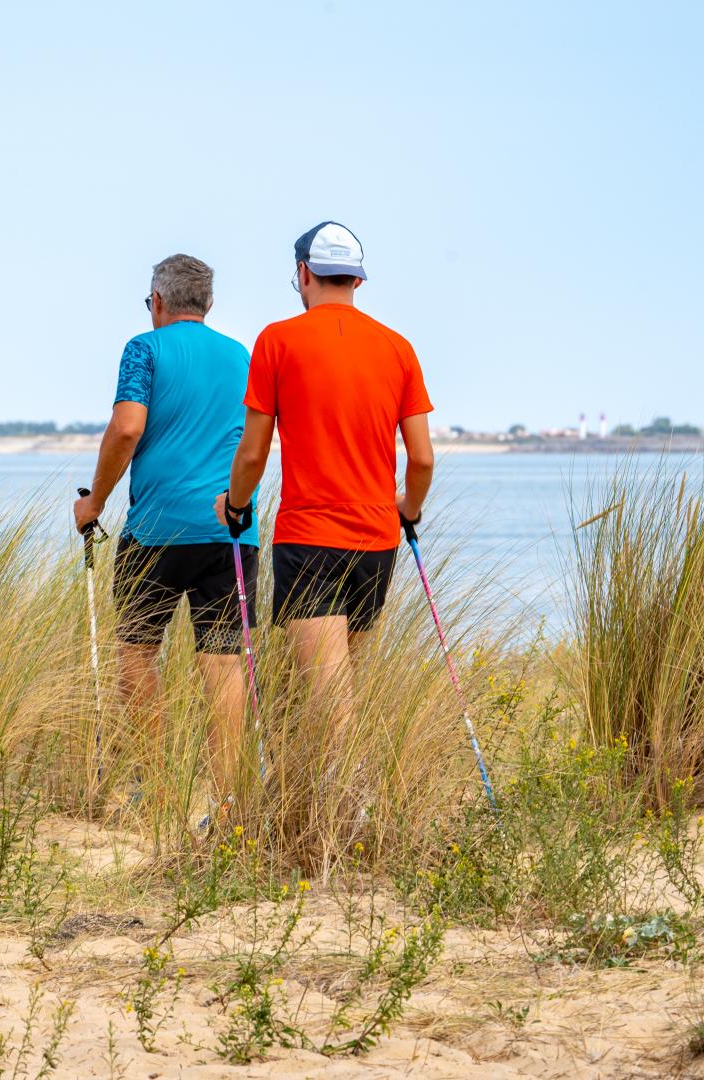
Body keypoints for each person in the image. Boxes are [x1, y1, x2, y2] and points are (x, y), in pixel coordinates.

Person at [217, 221, 435, 748]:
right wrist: (408, 507)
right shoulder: (398, 348)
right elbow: (423, 459)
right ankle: (334, 807)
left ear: (303, 274)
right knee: (346, 687)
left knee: (326, 692)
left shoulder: (277, 340)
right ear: (357, 281)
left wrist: (236, 504)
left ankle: (343, 810)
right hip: (377, 539)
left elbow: (252, 451)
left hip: (309, 537)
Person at [72, 253, 258, 812]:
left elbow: (127, 427)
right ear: (209, 304)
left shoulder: (143, 349)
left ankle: (152, 791)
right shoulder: (241, 355)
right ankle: (229, 798)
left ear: (156, 301)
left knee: (137, 654)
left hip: (154, 530)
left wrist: (95, 503)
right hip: (230, 532)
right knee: (224, 664)